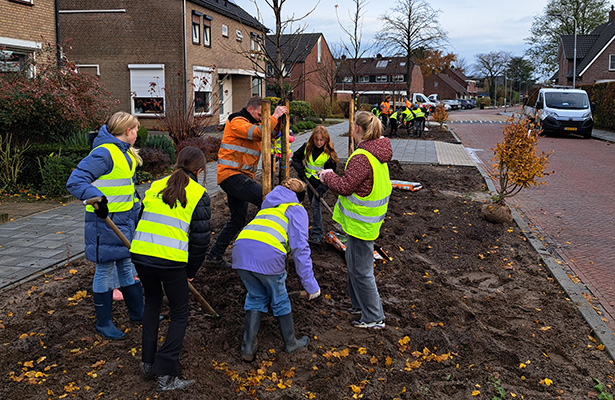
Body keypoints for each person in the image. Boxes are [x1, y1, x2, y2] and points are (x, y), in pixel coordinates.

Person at [130, 146, 211, 391]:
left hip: (141, 253)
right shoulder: (199, 193)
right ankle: (165, 373)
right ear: (200, 170)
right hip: (170, 259)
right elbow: (200, 240)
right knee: (179, 312)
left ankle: (147, 362)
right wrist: (191, 271)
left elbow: (141, 217)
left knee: (153, 302)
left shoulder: (156, 185)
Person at [66, 111, 143, 340]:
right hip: (105, 223)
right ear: (127, 131)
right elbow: (76, 181)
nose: (138, 133)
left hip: (124, 221)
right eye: (136, 129)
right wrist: (97, 200)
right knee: (105, 270)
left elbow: (126, 187)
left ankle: (138, 313)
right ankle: (104, 323)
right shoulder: (104, 153)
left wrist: (138, 208)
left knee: (126, 266)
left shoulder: (125, 153)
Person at [232, 178, 321, 362]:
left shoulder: (266, 209)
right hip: (267, 254)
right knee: (279, 298)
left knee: (256, 296)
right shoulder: (296, 210)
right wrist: (311, 285)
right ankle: (290, 343)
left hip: (241, 250)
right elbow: (300, 250)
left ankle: (247, 347)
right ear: (299, 197)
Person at [318, 111, 392, 330]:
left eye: (352, 126)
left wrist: (327, 176)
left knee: (361, 271)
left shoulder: (362, 157)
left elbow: (345, 186)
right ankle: (359, 306)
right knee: (353, 265)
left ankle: (374, 317)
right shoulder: (376, 154)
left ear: (357, 129)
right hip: (363, 223)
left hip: (362, 225)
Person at [206, 96, 287, 268]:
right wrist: (273, 116)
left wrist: (279, 119)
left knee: (237, 220)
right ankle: (262, 246)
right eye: (260, 114)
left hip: (241, 177)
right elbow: (259, 133)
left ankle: (214, 256)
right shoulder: (237, 121)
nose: (261, 118)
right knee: (266, 200)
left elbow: (271, 133)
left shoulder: (256, 124)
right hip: (231, 175)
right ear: (250, 109)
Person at [291, 126, 339, 243]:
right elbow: (295, 158)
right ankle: (317, 233)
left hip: (322, 183)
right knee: (314, 205)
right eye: (316, 140)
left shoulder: (329, 154)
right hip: (309, 182)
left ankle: (318, 235)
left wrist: (322, 190)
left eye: (321, 140)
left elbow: (331, 174)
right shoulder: (307, 148)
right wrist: (300, 171)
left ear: (326, 140)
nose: (318, 142)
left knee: (315, 205)